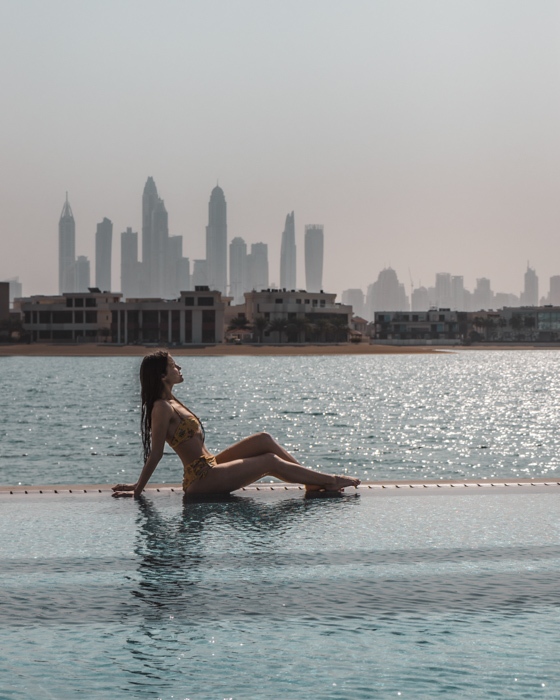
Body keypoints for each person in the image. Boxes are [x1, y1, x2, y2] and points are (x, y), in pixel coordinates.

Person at [112, 350, 360, 498]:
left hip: (210, 466)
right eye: (173, 365)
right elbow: (156, 454)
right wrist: (138, 489)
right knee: (269, 462)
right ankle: (329, 480)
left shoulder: (172, 401)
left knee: (263, 439)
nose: (179, 367)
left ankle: (311, 481)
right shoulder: (161, 408)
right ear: (163, 376)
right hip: (201, 478)